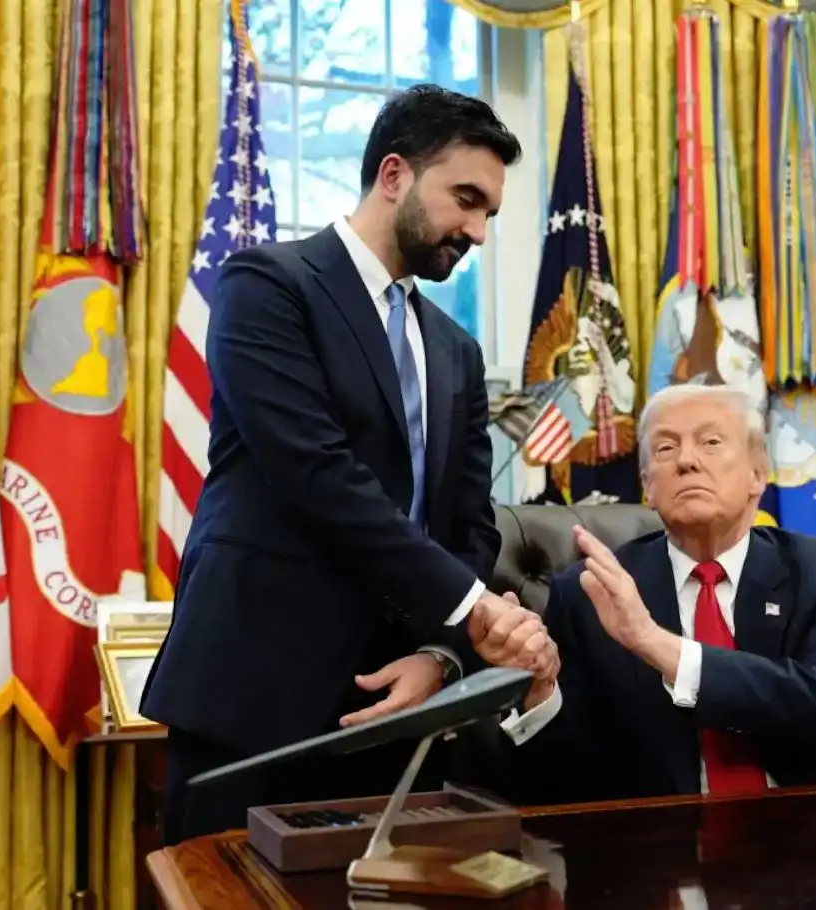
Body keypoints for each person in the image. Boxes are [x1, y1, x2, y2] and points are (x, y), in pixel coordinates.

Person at [141, 85, 552, 844]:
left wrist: (440, 653)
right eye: (466, 198)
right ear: (393, 175)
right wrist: (477, 609)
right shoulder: (267, 285)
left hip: (399, 708)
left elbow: (468, 523)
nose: (478, 230)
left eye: (490, 211)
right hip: (256, 694)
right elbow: (317, 476)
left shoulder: (455, 349)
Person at [483, 383, 816, 804]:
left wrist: (653, 642)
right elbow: (570, 779)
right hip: (658, 848)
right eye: (666, 449)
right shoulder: (588, 592)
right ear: (647, 485)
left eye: (711, 442)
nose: (687, 461)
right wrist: (540, 690)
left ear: (757, 475)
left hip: (812, 839)